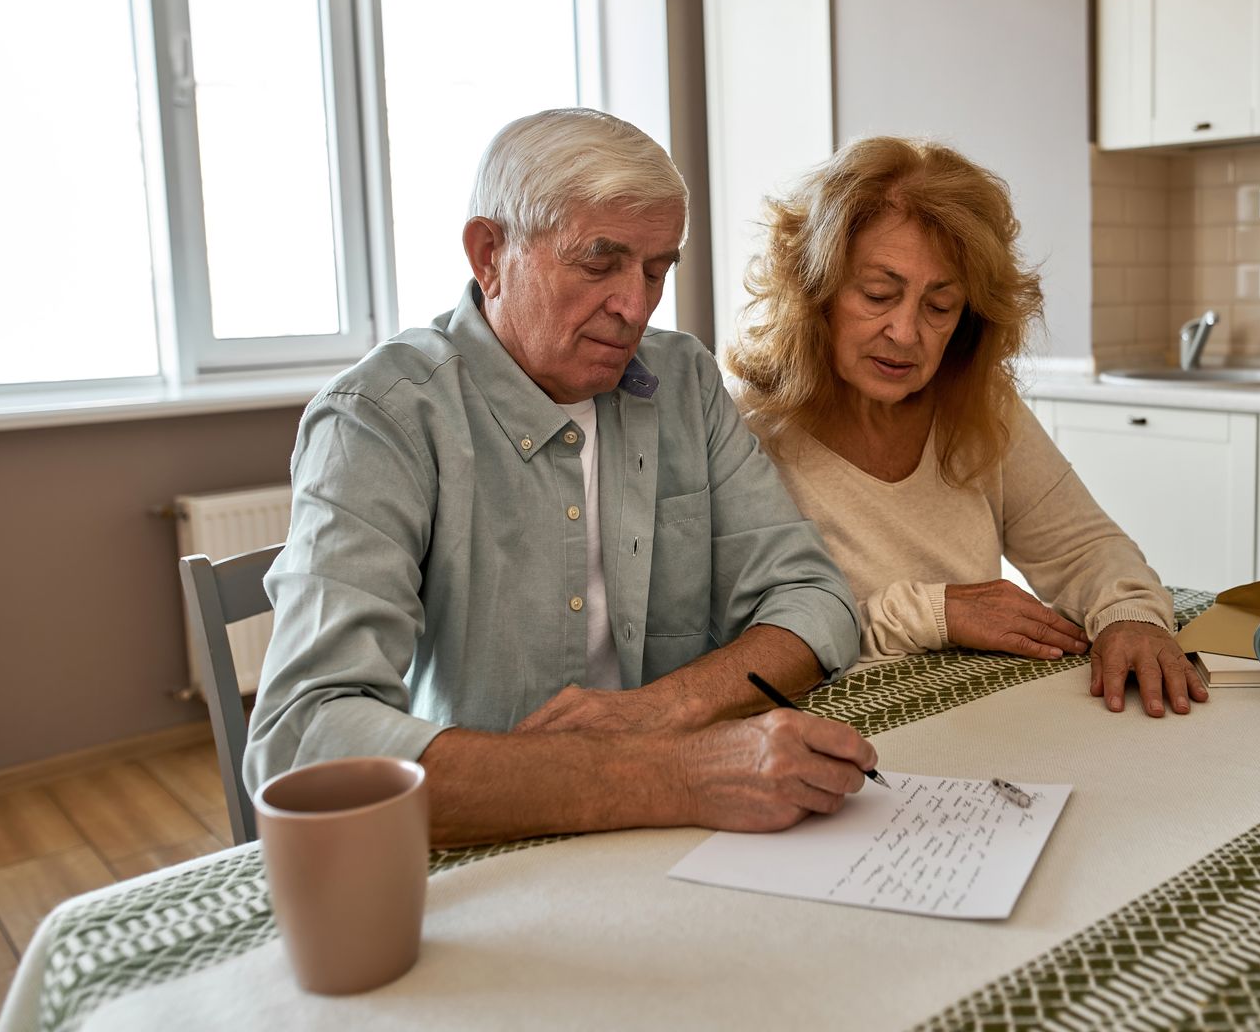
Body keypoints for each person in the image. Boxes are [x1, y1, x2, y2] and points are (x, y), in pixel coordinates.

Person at [246, 109, 875, 846]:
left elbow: (816, 599)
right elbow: (303, 737)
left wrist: (658, 713)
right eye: (599, 261)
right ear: (489, 254)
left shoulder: (683, 379)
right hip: (486, 832)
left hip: (686, 826)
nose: (635, 307)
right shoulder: (380, 418)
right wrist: (666, 774)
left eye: (656, 269)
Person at [727, 136, 1208, 718]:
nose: (905, 333)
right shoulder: (746, 430)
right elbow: (747, 645)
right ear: (815, 289)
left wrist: (1130, 616)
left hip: (978, 717)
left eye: (939, 306)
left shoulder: (978, 404)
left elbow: (1084, 549)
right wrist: (936, 612)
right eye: (879, 294)